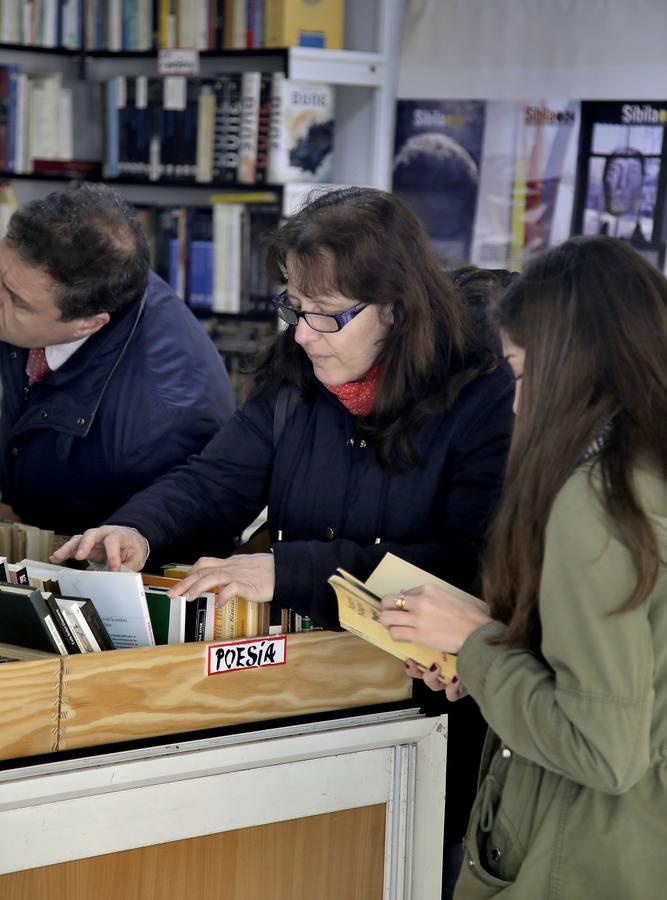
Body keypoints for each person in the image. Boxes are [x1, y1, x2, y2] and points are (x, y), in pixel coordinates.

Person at [52, 186, 515, 883]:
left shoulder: (482, 396)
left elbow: (469, 566)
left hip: (432, 714)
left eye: (327, 316)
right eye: (292, 307)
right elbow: (218, 480)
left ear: (396, 309)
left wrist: (288, 571)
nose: (301, 333)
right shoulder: (299, 369)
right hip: (312, 694)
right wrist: (138, 528)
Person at [380, 235, 667, 899]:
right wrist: (500, 642)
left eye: (518, 371)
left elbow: (599, 748)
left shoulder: (597, 505)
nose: (515, 404)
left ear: (567, 365)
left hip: (581, 856)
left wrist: (474, 645)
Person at [0, 183, 235, 551]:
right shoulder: (77, 279)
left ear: (88, 324)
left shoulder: (163, 422)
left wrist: (24, 522)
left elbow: (124, 564)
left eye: (15, 300)